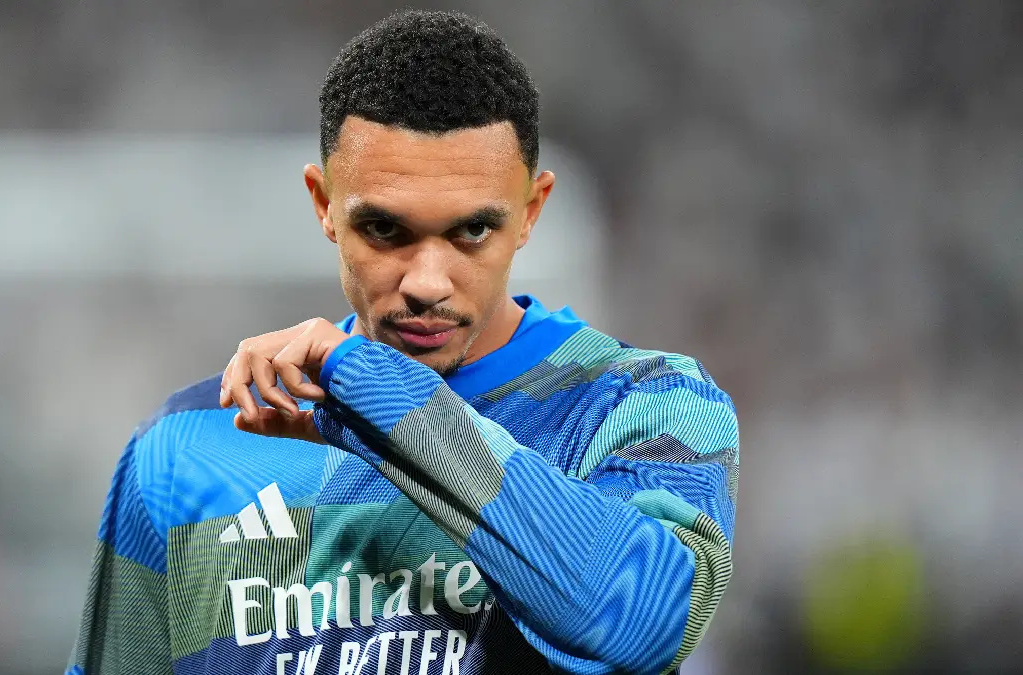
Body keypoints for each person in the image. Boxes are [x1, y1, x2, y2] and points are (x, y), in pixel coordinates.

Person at [66, 10, 738, 675]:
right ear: (323, 202)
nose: (426, 282)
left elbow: (643, 617)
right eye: (386, 230)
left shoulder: (647, 404)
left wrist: (370, 393)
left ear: (531, 211)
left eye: (472, 231)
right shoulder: (185, 447)